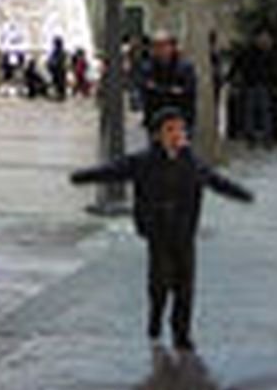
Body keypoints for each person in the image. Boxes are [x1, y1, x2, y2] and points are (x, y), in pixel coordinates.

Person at [70, 106, 253, 352]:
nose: (177, 135)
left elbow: (216, 182)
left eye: (180, 129)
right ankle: (156, 315)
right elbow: (113, 170)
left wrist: (242, 195)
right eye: (170, 130)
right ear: (157, 135)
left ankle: (181, 333)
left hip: (184, 231)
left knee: (185, 285)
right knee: (160, 282)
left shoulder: (192, 163)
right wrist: (81, 177)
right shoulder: (144, 161)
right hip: (157, 231)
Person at [141, 32, 197, 130]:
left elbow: (187, 92)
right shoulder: (148, 67)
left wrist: (159, 90)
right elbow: (147, 91)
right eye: (156, 46)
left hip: (180, 117)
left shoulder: (185, 67)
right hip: (155, 118)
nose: (160, 50)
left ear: (172, 46)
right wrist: (171, 91)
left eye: (163, 45)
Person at [236, 31, 277, 146]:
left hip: (261, 84)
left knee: (263, 111)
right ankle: (252, 137)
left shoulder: (268, 53)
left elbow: (273, 69)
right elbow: (241, 64)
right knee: (252, 111)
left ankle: (265, 136)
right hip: (252, 84)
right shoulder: (251, 52)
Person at [47, 36, 69, 101]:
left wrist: (52, 64)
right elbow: (51, 60)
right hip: (59, 70)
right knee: (59, 83)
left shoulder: (59, 52)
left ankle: (60, 95)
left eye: (55, 43)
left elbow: (54, 61)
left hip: (59, 70)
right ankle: (60, 95)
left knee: (59, 83)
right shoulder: (60, 51)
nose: (54, 44)